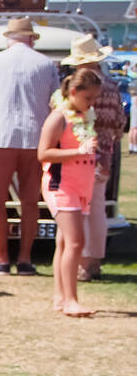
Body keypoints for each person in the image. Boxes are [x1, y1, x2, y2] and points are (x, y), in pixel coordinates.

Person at [0, 17, 58, 275]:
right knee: (30, 201)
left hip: (0, 137)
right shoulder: (46, 64)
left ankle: (0, 258)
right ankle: (25, 259)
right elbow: (55, 104)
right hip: (35, 139)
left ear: (9, 38)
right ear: (31, 38)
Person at [57, 38, 123, 282]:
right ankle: (93, 262)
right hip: (104, 154)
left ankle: (81, 263)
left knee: (78, 210)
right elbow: (119, 125)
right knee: (97, 210)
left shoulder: (72, 92)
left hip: (79, 156)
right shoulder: (113, 88)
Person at [38, 69, 101, 317]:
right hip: (60, 185)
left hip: (81, 185)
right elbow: (43, 154)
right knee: (76, 242)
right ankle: (71, 300)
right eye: (88, 99)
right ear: (73, 92)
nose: (91, 104)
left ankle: (60, 297)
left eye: (94, 99)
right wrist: (80, 152)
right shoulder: (58, 118)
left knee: (65, 242)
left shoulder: (84, 117)